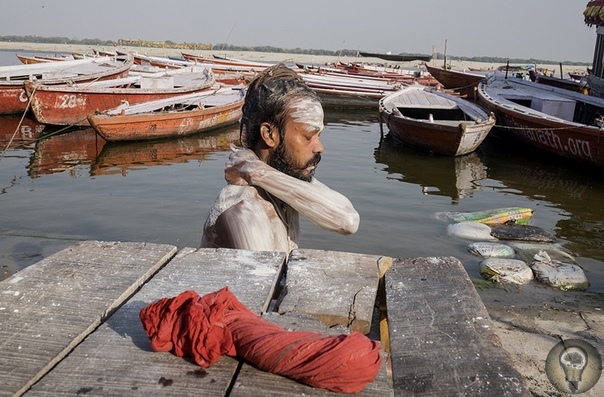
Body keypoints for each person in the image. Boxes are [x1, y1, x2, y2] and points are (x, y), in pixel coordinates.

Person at [201, 63, 360, 253]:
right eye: (308, 137)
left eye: (319, 136)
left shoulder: (281, 177)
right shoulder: (242, 207)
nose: (320, 147)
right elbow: (265, 280)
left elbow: (347, 221)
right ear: (269, 134)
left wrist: (255, 172)